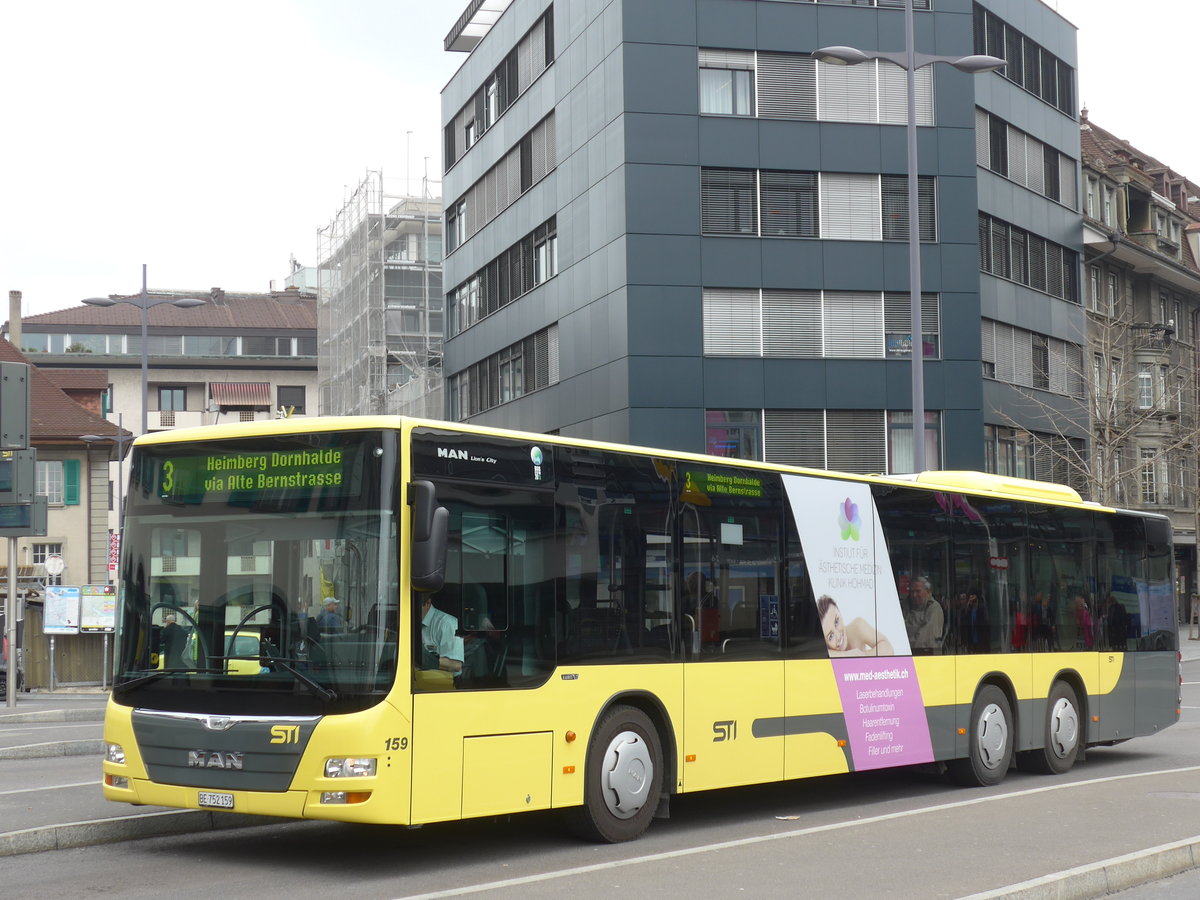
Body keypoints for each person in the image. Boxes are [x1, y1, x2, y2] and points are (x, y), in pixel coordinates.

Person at [816, 595, 894, 657]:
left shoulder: (857, 627)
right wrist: (846, 655)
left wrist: (861, 656)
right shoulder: (821, 650)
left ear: (840, 612)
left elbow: (888, 647)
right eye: (830, 636)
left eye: (836, 621)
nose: (838, 636)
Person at [421, 594, 465, 676]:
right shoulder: (409, 621)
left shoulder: (447, 624)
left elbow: (456, 665)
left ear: (427, 604)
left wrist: (421, 657)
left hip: (445, 684)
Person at [904, 576, 945, 653]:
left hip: (926, 655)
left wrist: (903, 643)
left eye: (917, 591)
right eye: (912, 592)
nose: (914, 595)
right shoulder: (906, 606)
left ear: (928, 592)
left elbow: (924, 639)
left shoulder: (934, 608)